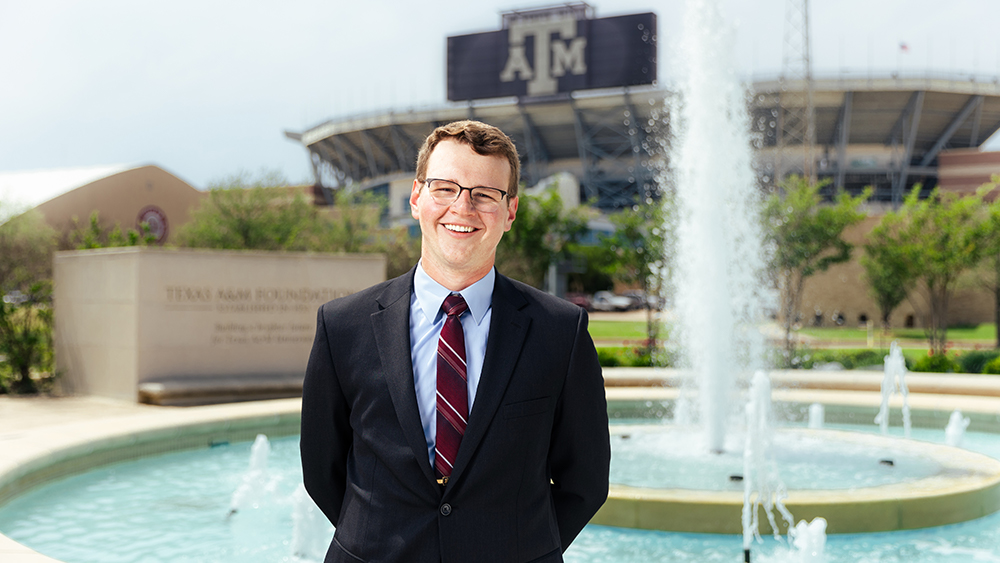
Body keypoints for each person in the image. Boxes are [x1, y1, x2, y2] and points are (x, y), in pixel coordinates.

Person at [300, 120, 610, 563]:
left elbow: (586, 481)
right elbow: (321, 468)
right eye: (445, 188)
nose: (463, 207)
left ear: (510, 212)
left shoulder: (561, 331)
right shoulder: (342, 326)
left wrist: (518, 547)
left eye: (485, 194)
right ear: (416, 198)